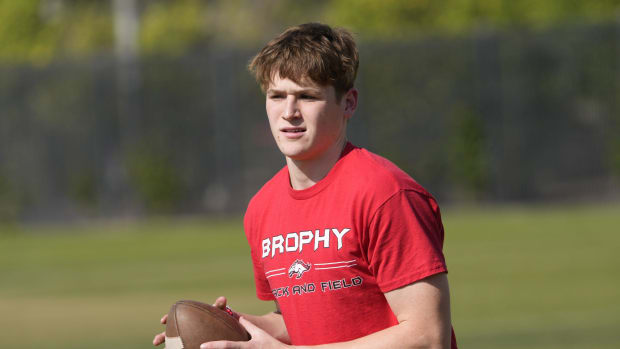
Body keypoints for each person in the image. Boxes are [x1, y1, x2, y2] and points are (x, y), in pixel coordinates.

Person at [153, 22, 457, 349]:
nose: (289, 112)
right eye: (277, 95)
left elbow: (427, 336)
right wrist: (228, 328)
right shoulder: (262, 208)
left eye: (307, 96)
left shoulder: (385, 194)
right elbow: (296, 321)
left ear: (349, 103)